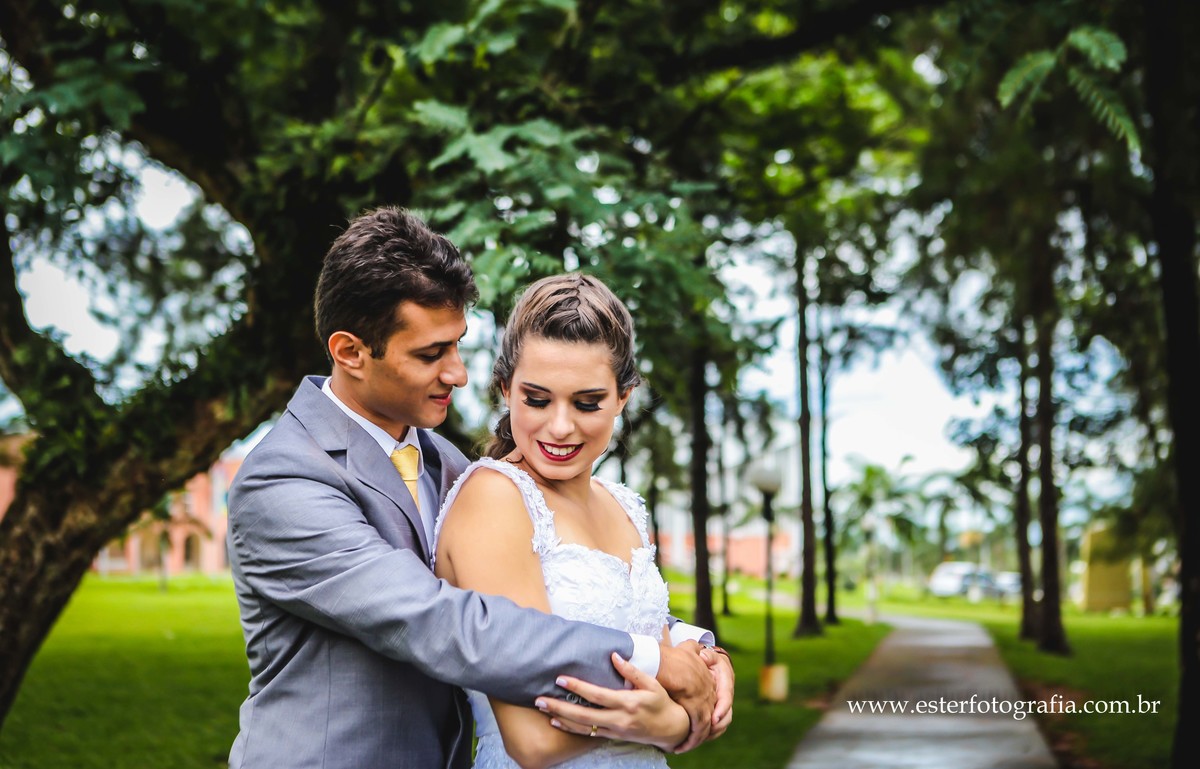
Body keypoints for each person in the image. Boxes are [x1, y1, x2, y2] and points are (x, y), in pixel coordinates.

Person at [225, 207, 731, 769]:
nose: (458, 374)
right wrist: (657, 667)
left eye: (458, 344)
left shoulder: (443, 460)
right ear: (350, 352)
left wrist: (696, 647)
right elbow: (441, 621)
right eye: (430, 354)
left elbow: (561, 569)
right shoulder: (284, 479)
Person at [433, 273, 729, 769]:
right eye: (537, 399)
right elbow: (531, 739)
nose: (561, 426)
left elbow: (654, 648)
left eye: (588, 402)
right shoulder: (494, 499)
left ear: (623, 397)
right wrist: (673, 724)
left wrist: (704, 657)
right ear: (506, 389)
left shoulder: (624, 506)